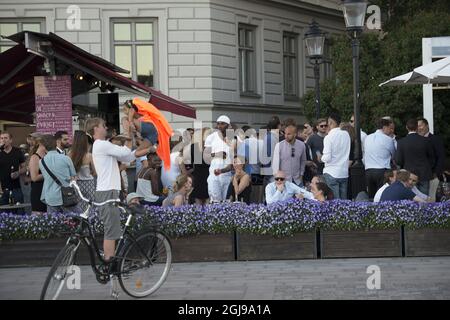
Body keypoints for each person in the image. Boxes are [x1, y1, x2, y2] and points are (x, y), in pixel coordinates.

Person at [86, 117, 151, 263]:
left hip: (110, 190)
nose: (106, 128)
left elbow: (127, 155)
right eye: (103, 126)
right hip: (108, 191)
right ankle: (110, 263)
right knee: (111, 231)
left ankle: (111, 262)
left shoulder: (101, 145)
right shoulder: (101, 144)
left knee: (112, 229)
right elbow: (125, 153)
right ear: (95, 128)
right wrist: (128, 131)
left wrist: (136, 142)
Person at [124, 98, 174, 171]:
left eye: (125, 110)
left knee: (124, 119)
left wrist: (130, 122)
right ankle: (151, 149)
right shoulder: (140, 112)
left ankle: (126, 136)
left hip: (150, 128)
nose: (125, 112)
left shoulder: (134, 109)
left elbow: (131, 110)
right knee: (137, 153)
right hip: (153, 134)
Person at [39, 135, 82, 214]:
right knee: (76, 220)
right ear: (56, 144)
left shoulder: (41, 162)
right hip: (67, 196)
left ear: (44, 147)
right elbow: (74, 177)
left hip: (50, 197)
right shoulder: (66, 158)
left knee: (54, 223)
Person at [395, 118, 434, 195]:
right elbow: (432, 158)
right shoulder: (426, 140)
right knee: (424, 199)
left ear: (406, 127)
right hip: (424, 173)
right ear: (417, 127)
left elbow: (398, 160)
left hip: (409, 174)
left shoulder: (401, 142)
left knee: (410, 198)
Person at [364, 118, 396, 199]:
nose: (390, 130)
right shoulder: (388, 139)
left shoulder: (367, 137)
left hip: (368, 171)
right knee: (382, 196)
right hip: (382, 171)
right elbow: (394, 155)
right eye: (389, 128)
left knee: (371, 197)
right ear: (384, 127)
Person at [321, 113, 351, 200]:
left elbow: (327, 157)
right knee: (343, 202)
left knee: (334, 202)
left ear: (331, 123)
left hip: (331, 172)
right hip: (343, 172)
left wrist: (321, 158)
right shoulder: (346, 134)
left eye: (327, 124)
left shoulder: (328, 137)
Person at [204, 115, 234, 202]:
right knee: (215, 201)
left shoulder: (234, 138)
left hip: (228, 175)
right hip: (214, 174)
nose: (220, 126)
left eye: (223, 124)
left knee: (227, 202)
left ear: (228, 125)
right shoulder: (211, 137)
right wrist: (217, 154)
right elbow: (205, 157)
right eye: (218, 124)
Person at [417, 117, 446, 202]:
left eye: (421, 126)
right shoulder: (415, 140)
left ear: (427, 126)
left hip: (432, 176)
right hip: (416, 178)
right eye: (417, 126)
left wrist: (436, 173)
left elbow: (441, 157)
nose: (419, 128)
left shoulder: (436, 139)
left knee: (431, 199)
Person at [68, 130, 96, 212]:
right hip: (89, 184)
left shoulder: (70, 154)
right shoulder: (89, 155)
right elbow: (95, 172)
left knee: (78, 208)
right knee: (90, 208)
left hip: (76, 184)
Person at [0, 132, 26, 205]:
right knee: (3, 213)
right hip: (2, 189)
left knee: (19, 212)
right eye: (1, 138)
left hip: (16, 188)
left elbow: (25, 167)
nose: (3, 140)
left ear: (11, 140)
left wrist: (18, 173)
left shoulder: (17, 151)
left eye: (6, 138)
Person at [187, 127, 211, 205]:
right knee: (199, 200)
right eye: (208, 134)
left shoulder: (210, 147)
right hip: (200, 177)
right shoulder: (195, 147)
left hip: (208, 176)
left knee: (208, 200)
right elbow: (200, 162)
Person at [28, 135, 48, 214]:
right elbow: (34, 177)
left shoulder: (47, 156)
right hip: (38, 191)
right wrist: (49, 174)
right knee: (39, 217)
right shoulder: (35, 157)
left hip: (47, 191)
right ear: (41, 144)